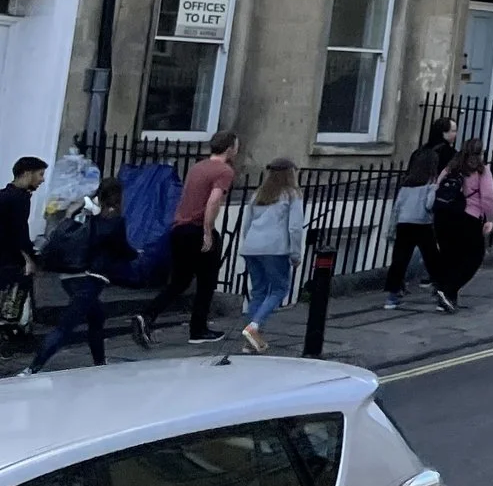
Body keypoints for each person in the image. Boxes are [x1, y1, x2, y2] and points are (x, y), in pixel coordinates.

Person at [30, 179, 143, 372]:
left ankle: (99, 363)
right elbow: (121, 248)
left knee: (96, 316)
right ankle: (33, 368)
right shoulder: (114, 220)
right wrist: (136, 254)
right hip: (90, 278)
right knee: (66, 326)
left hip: (69, 275)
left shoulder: (87, 213)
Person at [145, 129, 239, 344]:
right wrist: (208, 232)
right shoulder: (224, 171)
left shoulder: (197, 167)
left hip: (179, 229)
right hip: (197, 228)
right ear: (229, 148)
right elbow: (213, 201)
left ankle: (147, 315)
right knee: (207, 281)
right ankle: (198, 329)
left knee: (179, 282)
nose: (237, 150)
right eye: (236, 146)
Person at [236, 158, 304, 354]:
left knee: (258, 292)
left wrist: (248, 244)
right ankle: (254, 326)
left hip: (252, 247)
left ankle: (251, 343)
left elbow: (247, 223)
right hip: (275, 249)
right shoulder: (292, 194)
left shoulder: (259, 194)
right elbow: (295, 228)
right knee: (279, 290)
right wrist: (295, 254)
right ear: (290, 173)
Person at [430, 138, 493, 308]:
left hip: (443, 216)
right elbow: (488, 197)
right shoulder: (481, 171)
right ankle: (448, 290)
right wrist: (489, 219)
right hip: (467, 217)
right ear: (481, 153)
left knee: (449, 256)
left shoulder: (451, 167)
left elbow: (437, 187)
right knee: (474, 257)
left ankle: (446, 298)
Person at [383, 154, 444, 311]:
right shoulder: (430, 184)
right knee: (432, 259)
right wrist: (436, 189)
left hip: (404, 223)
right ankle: (441, 291)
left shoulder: (406, 185)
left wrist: (392, 227)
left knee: (399, 260)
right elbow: (429, 205)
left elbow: (397, 207)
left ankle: (392, 296)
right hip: (422, 224)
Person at [1, 156, 42, 345]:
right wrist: (28, 259)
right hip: (11, 259)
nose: (42, 179)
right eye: (39, 174)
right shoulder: (19, 199)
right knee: (13, 303)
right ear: (27, 173)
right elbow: (19, 231)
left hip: (6, 256)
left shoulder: (6, 195)